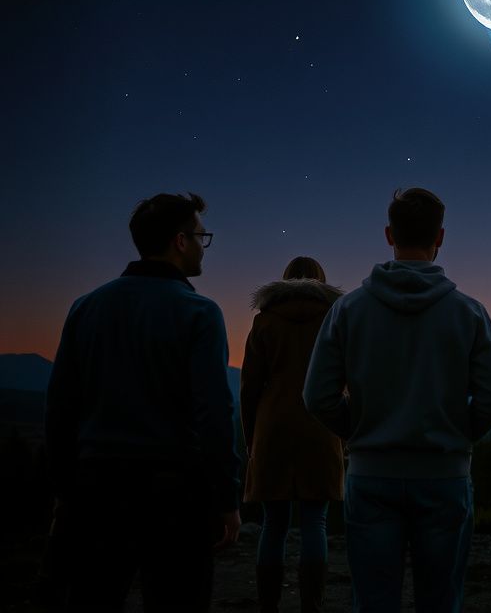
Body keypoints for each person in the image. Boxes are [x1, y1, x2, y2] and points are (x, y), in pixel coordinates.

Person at [303, 187, 491, 613]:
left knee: (374, 603)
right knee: (440, 601)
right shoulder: (468, 312)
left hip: (372, 475)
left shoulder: (349, 310)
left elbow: (317, 395)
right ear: (441, 236)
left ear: (388, 234)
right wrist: (455, 433)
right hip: (444, 476)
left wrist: (360, 430)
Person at [44, 192, 240, 613]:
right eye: (201, 237)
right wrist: (226, 497)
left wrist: (63, 489)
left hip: (96, 487)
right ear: (180, 241)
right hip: (175, 493)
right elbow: (214, 413)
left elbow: (60, 405)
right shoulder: (200, 313)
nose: (204, 247)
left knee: (92, 599)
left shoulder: (86, 308)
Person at [241, 256, 345, 612]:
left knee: (274, 524)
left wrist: (250, 438)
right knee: (315, 521)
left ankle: (268, 606)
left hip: (273, 427)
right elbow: (346, 378)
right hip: (321, 423)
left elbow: (249, 386)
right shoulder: (333, 321)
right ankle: (311, 606)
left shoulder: (264, 322)